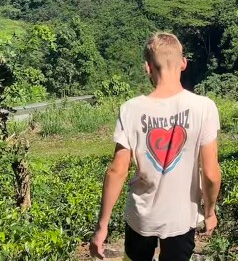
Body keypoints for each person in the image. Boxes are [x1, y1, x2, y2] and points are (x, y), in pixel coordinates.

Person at [90, 32, 222, 261]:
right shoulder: (204, 107)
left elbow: (117, 171)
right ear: (183, 63)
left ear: (148, 67)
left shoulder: (130, 109)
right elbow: (211, 174)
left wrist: (102, 226)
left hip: (140, 217)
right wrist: (209, 211)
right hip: (182, 217)